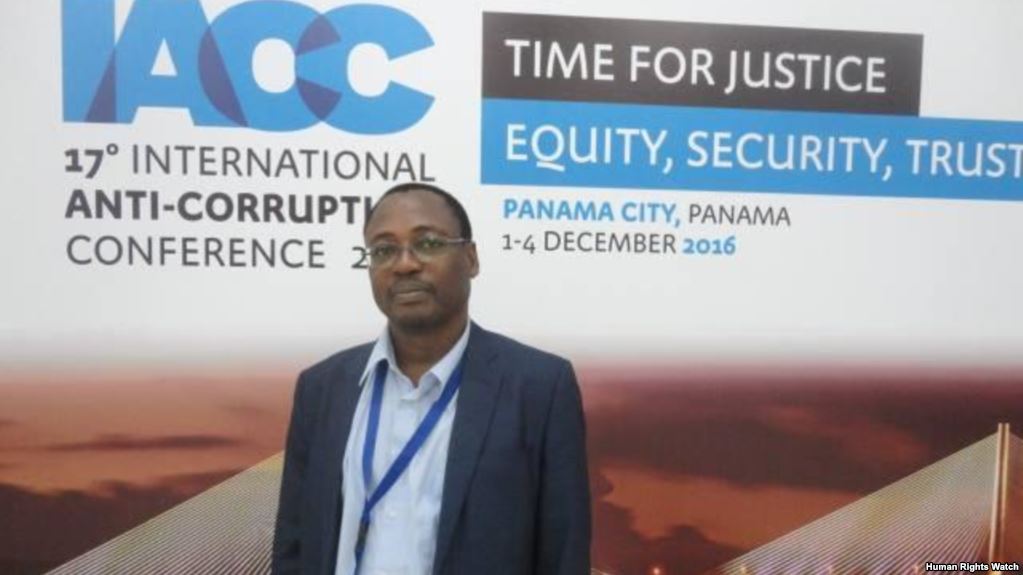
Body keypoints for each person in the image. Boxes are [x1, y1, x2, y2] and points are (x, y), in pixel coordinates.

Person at [272, 182, 591, 575]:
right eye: (384, 250)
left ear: (471, 258)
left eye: (428, 243)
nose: (404, 264)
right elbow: (294, 543)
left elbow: (563, 553)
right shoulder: (322, 389)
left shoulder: (540, 388)